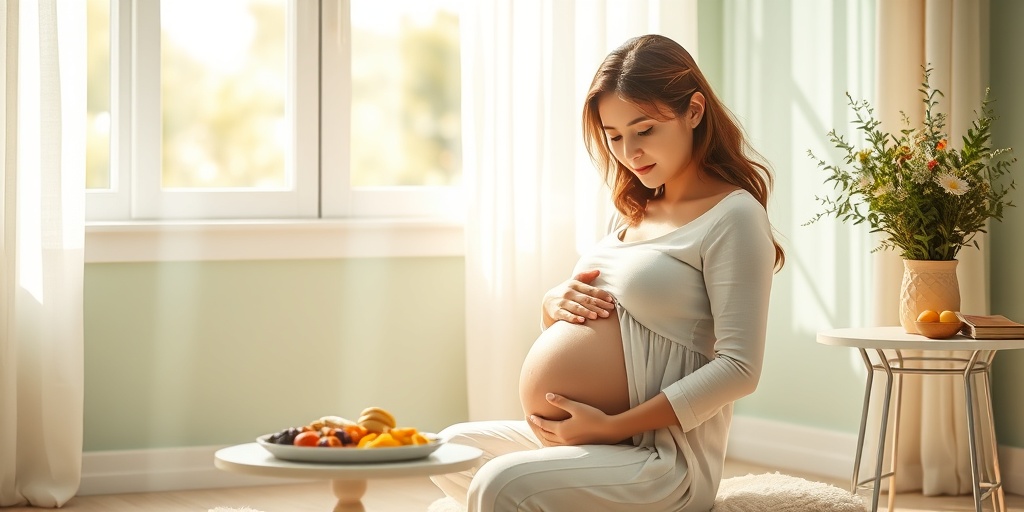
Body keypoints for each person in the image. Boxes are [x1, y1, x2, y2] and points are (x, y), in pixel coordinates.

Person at [431, 34, 785, 512]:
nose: (629, 152)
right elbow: (610, 328)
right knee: (448, 450)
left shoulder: (734, 217)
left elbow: (740, 370)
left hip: (657, 458)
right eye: (614, 136)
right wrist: (551, 305)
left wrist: (613, 427)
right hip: (589, 441)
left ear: (694, 112)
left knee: (497, 484)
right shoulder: (630, 212)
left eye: (644, 130)